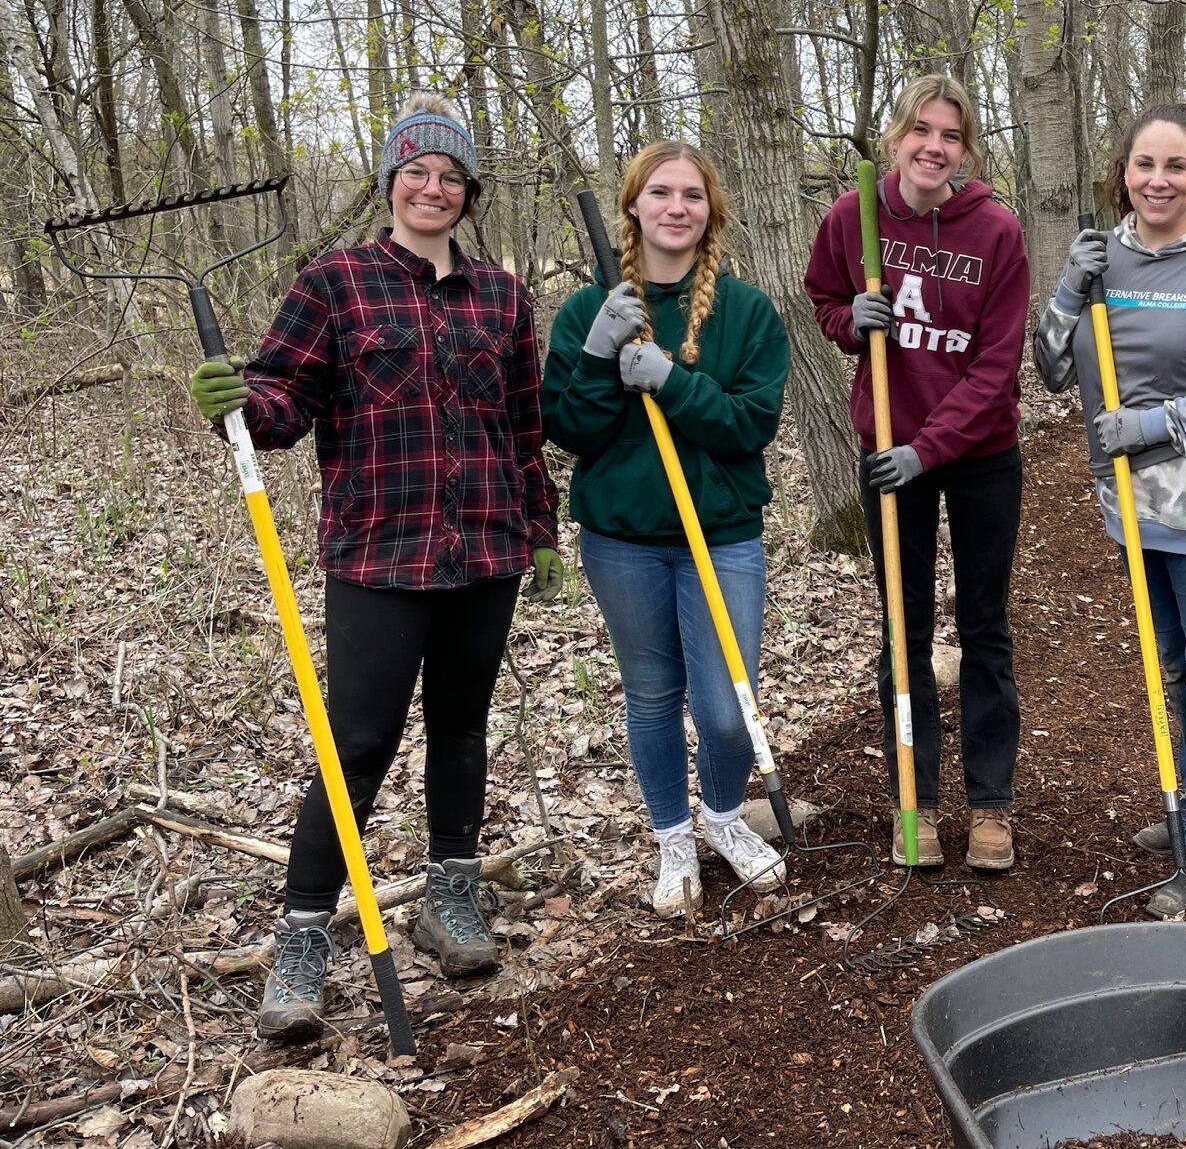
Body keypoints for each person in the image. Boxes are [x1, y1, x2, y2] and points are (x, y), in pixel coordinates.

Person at [187, 94, 563, 1041]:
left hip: (486, 545)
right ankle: (304, 936)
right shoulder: (336, 284)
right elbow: (283, 398)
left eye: (449, 176)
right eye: (415, 171)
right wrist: (238, 402)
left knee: (463, 727)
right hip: (377, 554)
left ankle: (451, 897)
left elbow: (524, 426)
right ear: (391, 181)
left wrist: (541, 530)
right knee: (356, 743)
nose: (431, 187)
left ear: (469, 193)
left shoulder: (505, 300)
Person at [1034, 103, 1186, 918]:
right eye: (1144, 164)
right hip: (1133, 510)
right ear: (1124, 171)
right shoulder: (1105, 260)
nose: (1158, 181)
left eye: (1176, 166)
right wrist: (1071, 285)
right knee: (1169, 669)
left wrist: (1154, 424)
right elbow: (1049, 369)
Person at [542, 142, 792, 918]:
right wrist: (594, 355)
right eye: (661, 193)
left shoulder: (746, 311)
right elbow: (569, 430)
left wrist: (672, 381)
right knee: (653, 695)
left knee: (724, 705)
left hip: (721, 534)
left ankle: (723, 813)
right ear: (635, 206)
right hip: (622, 540)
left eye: (691, 195)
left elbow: (752, 425)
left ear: (709, 211)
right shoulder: (591, 308)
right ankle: (673, 835)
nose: (676, 207)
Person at [803, 74, 1030, 871]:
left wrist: (928, 449)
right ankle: (918, 800)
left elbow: (998, 367)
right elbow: (824, 295)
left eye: (951, 135)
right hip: (887, 450)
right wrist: (846, 320)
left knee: (983, 628)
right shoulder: (853, 215)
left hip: (977, 457)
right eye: (921, 130)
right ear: (896, 136)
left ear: (967, 148)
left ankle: (992, 804)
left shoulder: (996, 231)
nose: (934, 146)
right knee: (904, 632)